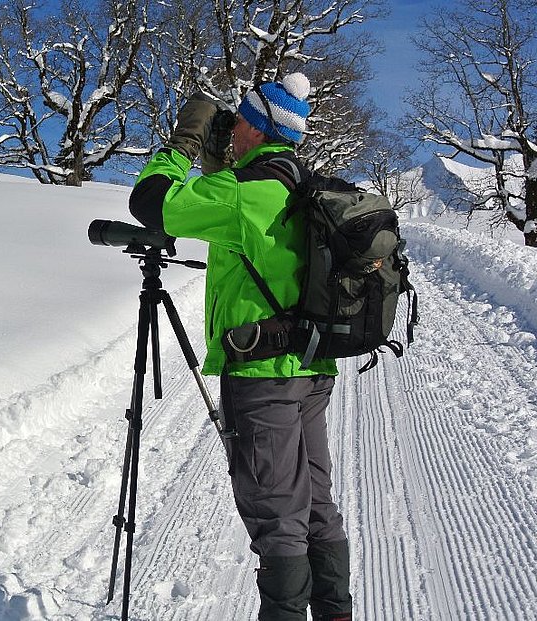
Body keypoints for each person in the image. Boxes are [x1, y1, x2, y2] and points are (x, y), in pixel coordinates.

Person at [128, 73, 353, 621]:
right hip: (311, 368)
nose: (232, 134)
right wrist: (219, 160)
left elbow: (150, 201)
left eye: (241, 124)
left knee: (278, 517)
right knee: (315, 506)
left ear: (256, 127)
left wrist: (184, 143)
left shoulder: (243, 193)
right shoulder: (297, 183)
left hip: (263, 377)